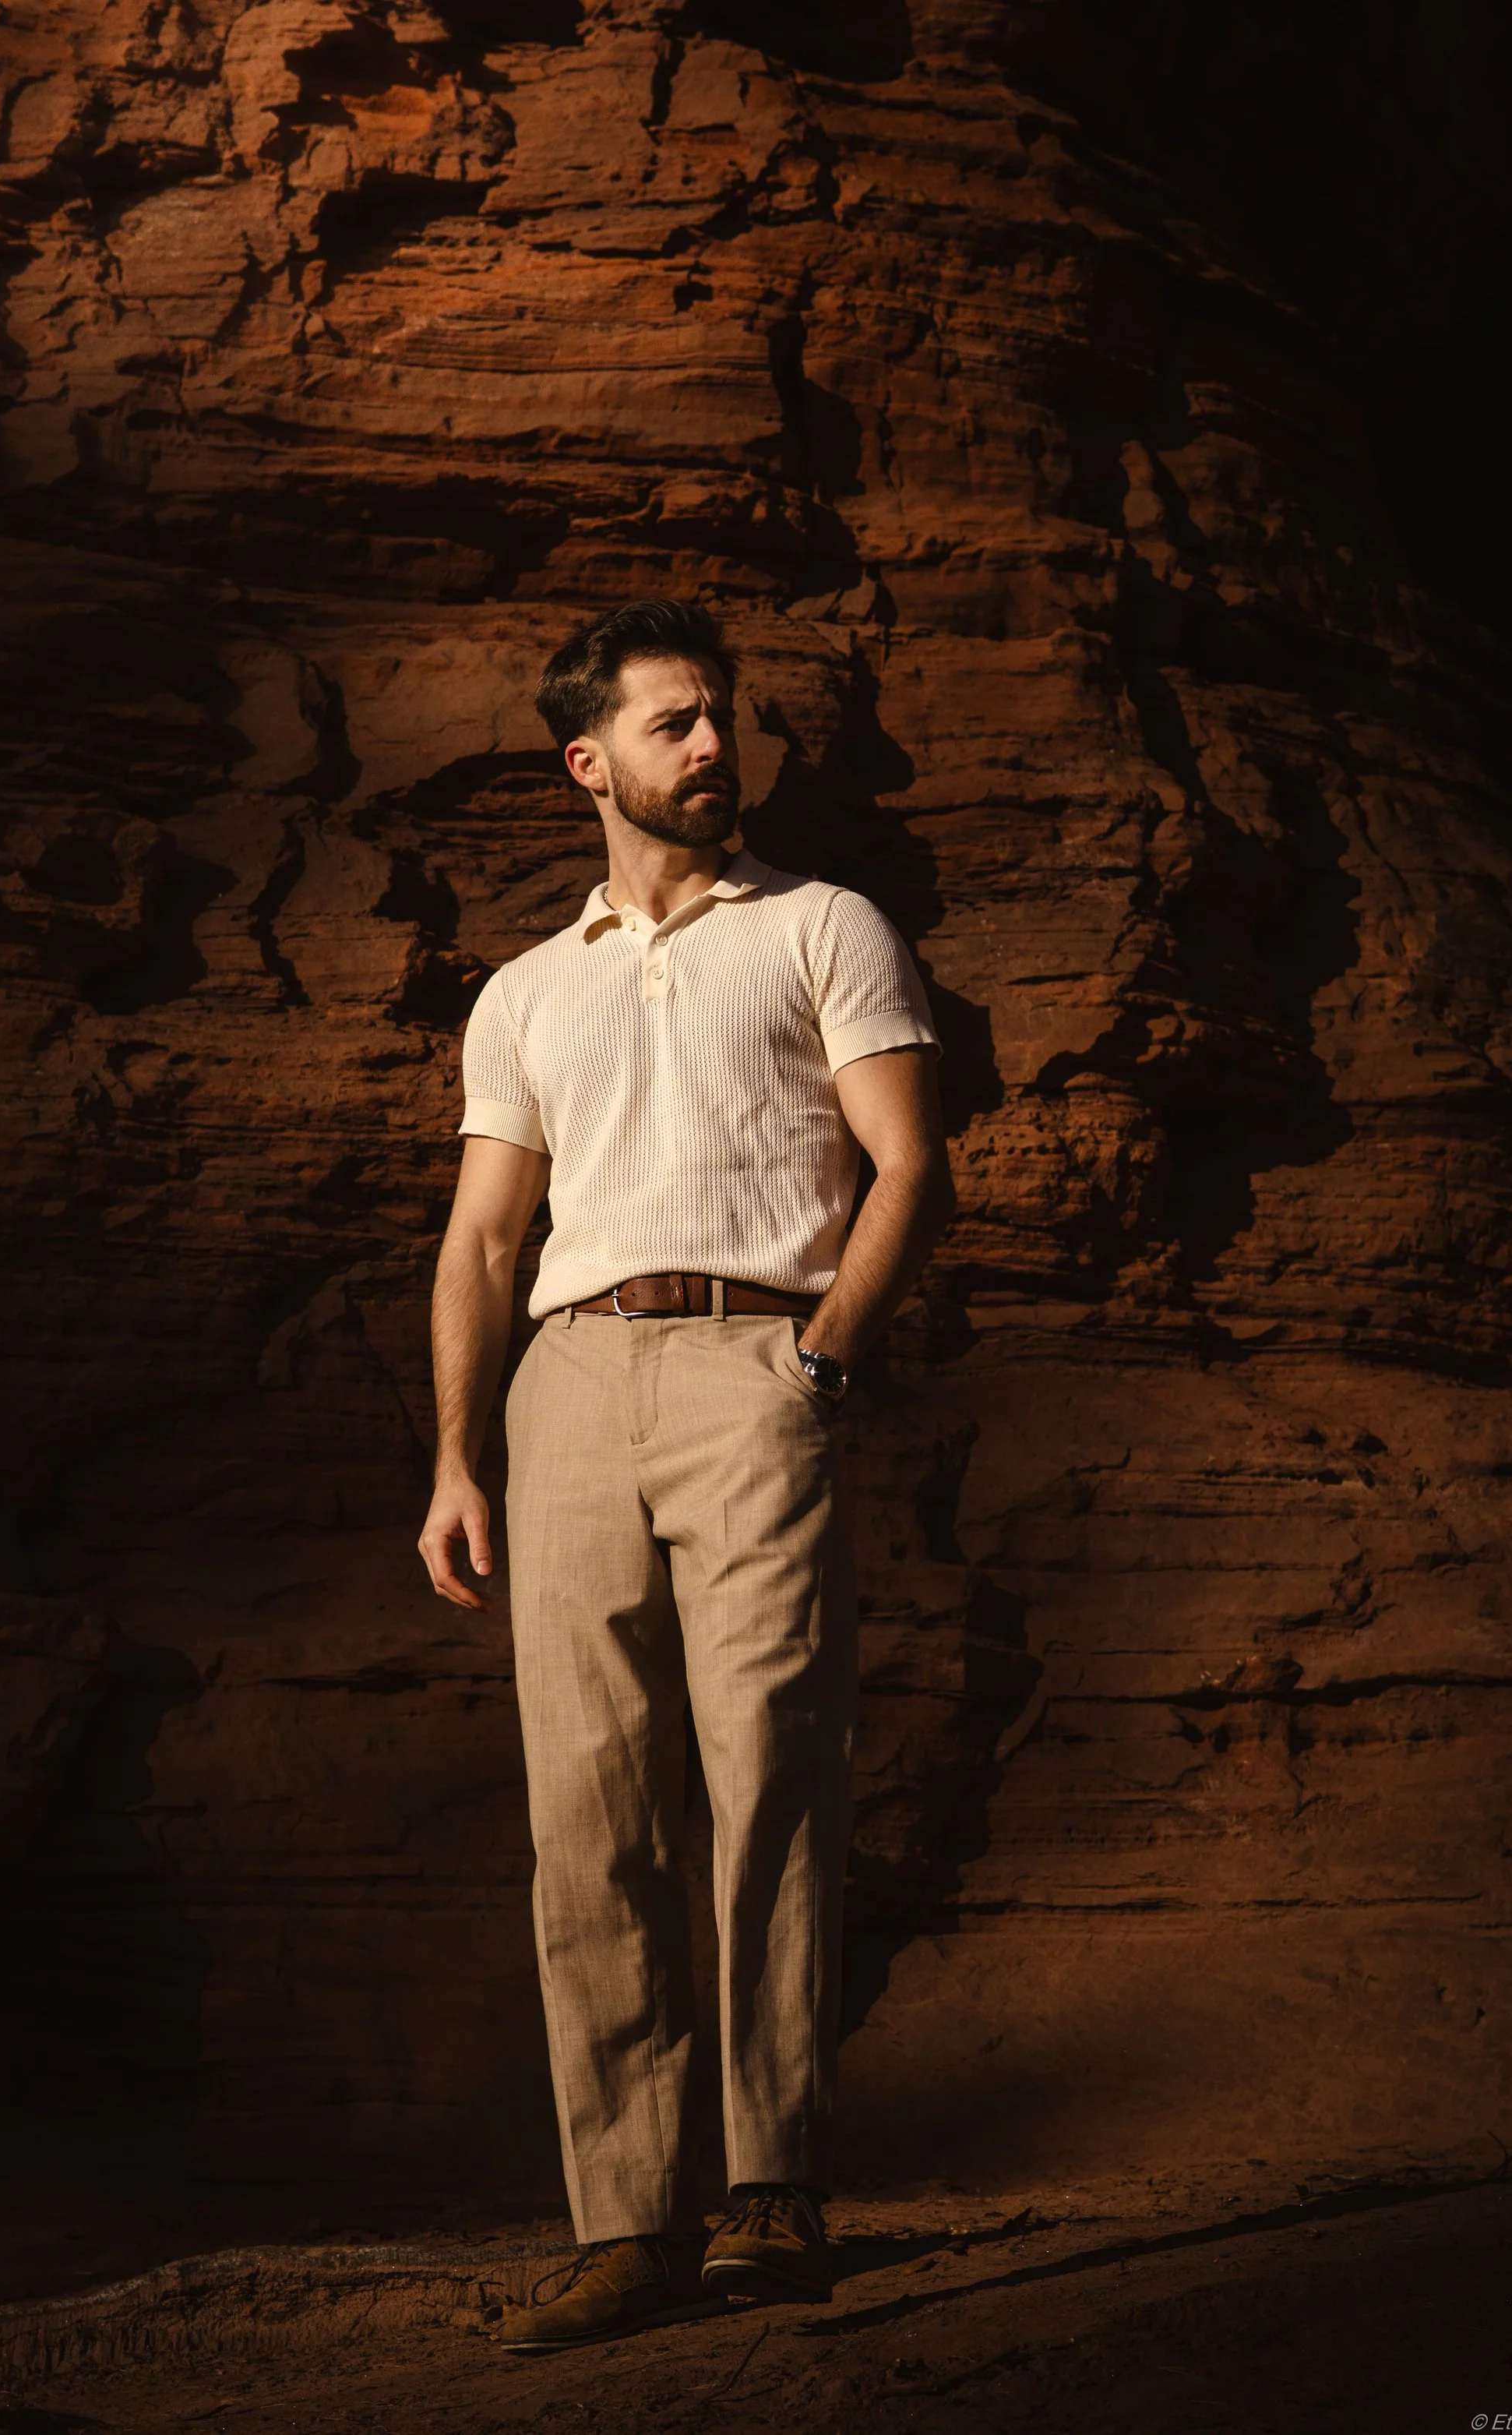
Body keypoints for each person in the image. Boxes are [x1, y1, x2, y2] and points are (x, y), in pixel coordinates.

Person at [416, 598, 955, 2352]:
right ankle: (623, 2219)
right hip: (566, 1385)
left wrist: (817, 1365)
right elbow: (485, 1237)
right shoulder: (526, 986)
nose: (713, 745)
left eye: (718, 716)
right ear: (589, 764)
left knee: (767, 1766)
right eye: (673, 724)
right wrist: (454, 1451)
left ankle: (771, 2186)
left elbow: (906, 1163)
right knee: (586, 1808)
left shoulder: (818, 926)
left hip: (755, 1359)